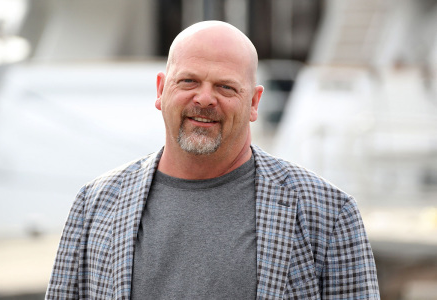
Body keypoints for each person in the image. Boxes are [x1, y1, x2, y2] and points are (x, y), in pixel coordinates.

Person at [46, 21, 380, 299]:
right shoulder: (94, 204)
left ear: (254, 102)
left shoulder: (328, 212)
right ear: (161, 90)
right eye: (189, 81)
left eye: (225, 87)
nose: (205, 98)